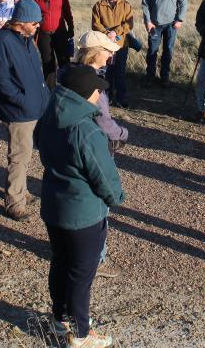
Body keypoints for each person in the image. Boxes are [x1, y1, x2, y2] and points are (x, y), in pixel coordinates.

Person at [37, 65, 125, 347]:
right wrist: (116, 198)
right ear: (85, 94)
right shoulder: (86, 130)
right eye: (98, 90)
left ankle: (60, 319)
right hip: (83, 214)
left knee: (61, 262)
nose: (100, 95)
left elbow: (38, 143)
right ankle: (82, 334)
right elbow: (104, 175)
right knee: (82, 273)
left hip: (54, 205)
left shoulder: (50, 115)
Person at [61, 32, 129, 281]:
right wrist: (123, 133)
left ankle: (71, 250)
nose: (111, 55)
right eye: (107, 50)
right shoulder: (90, 84)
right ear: (94, 53)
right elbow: (104, 122)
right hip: (95, 146)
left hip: (70, 147)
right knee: (98, 205)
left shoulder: (67, 74)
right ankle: (96, 258)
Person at [0, 0, 51, 221]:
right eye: (34, 23)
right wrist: (21, 101)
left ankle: (23, 191)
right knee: (19, 156)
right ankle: (14, 203)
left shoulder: (26, 40)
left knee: (27, 153)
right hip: (19, 111)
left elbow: (36, 73)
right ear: (20, 22)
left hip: (34, 108)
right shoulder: (1, 41)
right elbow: (0, 79)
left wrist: (43, 97)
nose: (37, 26)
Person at [141, 0, 188, 87]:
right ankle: (150, 76)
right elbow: (145, 5)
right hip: (155, 25)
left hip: (171, 25)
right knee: (152, 51)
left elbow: (183, 2)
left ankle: (165, 77)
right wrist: (148, 22)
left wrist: (179, 19)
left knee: (168, 51)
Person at [28, 0, 75, 86]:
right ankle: (50, 92)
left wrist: (71, 26)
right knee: (48, 61)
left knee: (64, 60)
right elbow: (29, 12)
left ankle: (67, 89)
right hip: (42, 32)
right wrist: (32, 29)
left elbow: (66, 9)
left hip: (59, 31)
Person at [90, 0, 134, 108]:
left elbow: (129, 24)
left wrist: (116, 32)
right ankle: (106, 97)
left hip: (121, 44)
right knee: (106, 71)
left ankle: (121, 98)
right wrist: (107, 33)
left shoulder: (126, 6)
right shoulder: (98, 6)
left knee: (120, 72)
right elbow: (95, 24)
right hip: (104, 45)